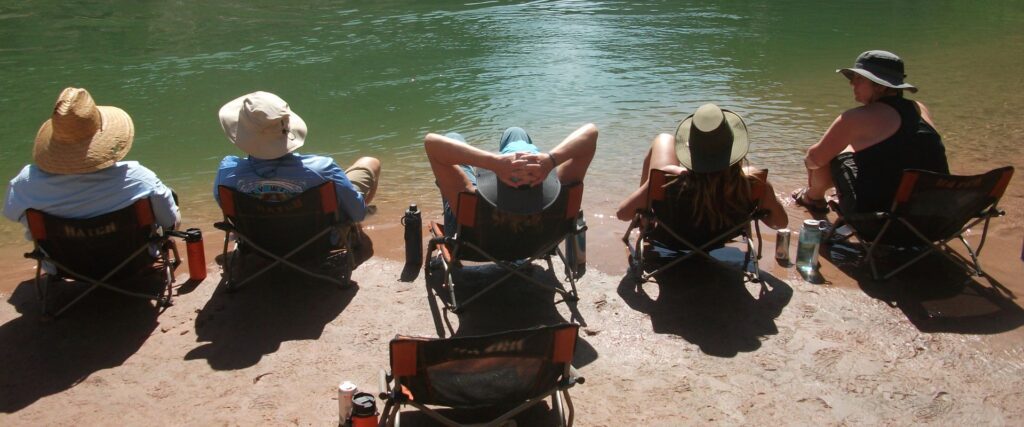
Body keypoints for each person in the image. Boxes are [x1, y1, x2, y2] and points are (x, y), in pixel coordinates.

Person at [4, 87, 180, 238]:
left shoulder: (26, 183)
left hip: (62, 265)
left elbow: (12, 215)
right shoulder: (138, 179)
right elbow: (170, 221)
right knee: (168, 197)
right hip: (134, 264)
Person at [792, 50, 949, 215]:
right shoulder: (919, 109)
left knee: (833, 155)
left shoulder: (855, 118)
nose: (852, 84)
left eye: (858, 79)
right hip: (939, 218)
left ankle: (812, 197)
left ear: (880, 85)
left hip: (881, 222)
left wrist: (813, 162)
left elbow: (814, 159)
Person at [616, 103, 788, 234]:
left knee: (664, 139)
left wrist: (669, 171)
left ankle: (645, 220)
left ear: (692, 152)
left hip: (671, 237)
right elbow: (780, 223)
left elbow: (623, 214)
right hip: (718, 241)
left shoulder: (668, 181)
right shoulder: (753, 184)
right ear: (733, 150)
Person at [213, 91, 380, 224]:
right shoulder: (322, 169)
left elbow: (229, 213)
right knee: (370, 163)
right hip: (319, 245)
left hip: (258, 245)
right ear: (288, 128)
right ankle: (352, 232)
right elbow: (358, 213)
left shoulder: (227, 173)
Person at [423, 124, 597, 235]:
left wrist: (493, 162)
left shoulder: (472, 201)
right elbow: (591, 132)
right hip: (540, 239)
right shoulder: (560, 196)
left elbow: (431, 143)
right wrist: (550, 160)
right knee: (516, 132)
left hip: (475, 236)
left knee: (453, 138)